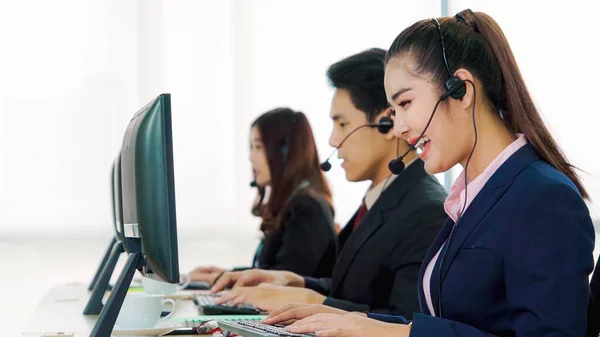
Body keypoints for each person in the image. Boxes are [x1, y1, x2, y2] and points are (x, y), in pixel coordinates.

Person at [261, 9, 596, 337]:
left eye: (405, 104)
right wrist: (351, 320)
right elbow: (443, 321)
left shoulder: (543, 197)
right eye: (393, 110)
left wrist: (400, 335)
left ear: (460, 89)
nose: (400, 127)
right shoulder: (467, 199)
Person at [211, 49, 448, 317]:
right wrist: (298, 282)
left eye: (343, 124)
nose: (333, 141)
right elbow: (355, 292)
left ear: (387, 123)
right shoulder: (383, 198)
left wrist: (314, 302)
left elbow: (405, 323)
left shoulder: (426, 211)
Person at [189, 108, 338, 283]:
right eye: (251, 147)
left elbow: (284, 280)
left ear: (285, 153)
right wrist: (227, 274)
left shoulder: (307, 207)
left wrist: (221, 279)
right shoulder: (292, 204)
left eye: (258, 147)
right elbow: (272, 271)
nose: (251, 157)